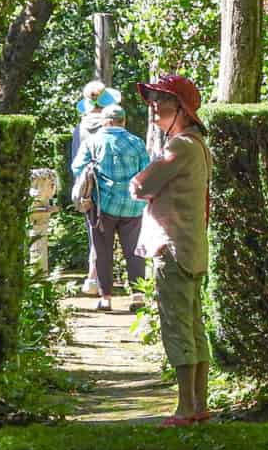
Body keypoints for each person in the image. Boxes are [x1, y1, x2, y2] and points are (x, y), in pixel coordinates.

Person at [131, 75, 212, 425]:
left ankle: (185, 408)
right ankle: (198, 404)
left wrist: (141, 180)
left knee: (178, 326)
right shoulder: (198, 145)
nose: (154, 107)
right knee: (194, 325)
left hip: (172, 247)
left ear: (181, 108)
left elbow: (140, 186)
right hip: (190, 245)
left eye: (161, 100)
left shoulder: (179, 147)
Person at [70, 104, 151, 311]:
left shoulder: (93, 141)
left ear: (104, 121)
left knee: (102, 251)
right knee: (134, 251)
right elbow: (146, 171)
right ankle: (138, 296)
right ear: (124, 121)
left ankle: (106, 297)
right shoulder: (136, 142)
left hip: (101, 207)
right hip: (133, 207)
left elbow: (77, 167)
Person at [71, 80, 120, 294]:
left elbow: (75, 162)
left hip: (89, 186)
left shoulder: (80, 128)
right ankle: (97, 277)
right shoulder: (111, 125)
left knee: (94, 230)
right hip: (111, 184)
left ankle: (93, 277)